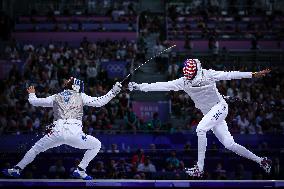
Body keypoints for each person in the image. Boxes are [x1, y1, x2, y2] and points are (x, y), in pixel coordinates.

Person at [128, 59, 272, 177]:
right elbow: (162, 85)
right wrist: (139, 87)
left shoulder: (208, 74)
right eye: (187, 76)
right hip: (211, 114)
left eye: (191, 75)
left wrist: (253, 74)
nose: (188, 79)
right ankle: (262, 160)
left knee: (200, 129)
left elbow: (230, 75)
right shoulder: (183, 81)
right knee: (229, 145)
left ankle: (199, 168)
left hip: (220, 107)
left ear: (197, 70)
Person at [2, 77, 122, 180]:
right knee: (96, 145)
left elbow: (34, 102)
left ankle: (17, 169)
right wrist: (113, 91)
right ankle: (80, 169)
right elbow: (100, 102)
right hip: (74, 134)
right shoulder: (81, 96)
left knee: (35, 149)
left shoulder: (56, 96)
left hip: (56, 133)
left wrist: (32, 93)